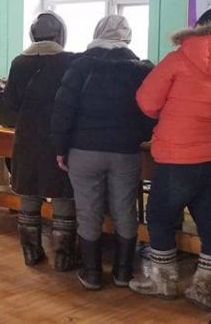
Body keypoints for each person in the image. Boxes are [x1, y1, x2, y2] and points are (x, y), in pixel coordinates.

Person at [130, 7, 211, 312]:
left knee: (160, 216)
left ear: (200, 28)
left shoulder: (178, 59)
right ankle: (206, 290)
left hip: (178, 157)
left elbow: (147, 103)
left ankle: (162, 282)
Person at [50, 15, 154, 290]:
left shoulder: (80, 65)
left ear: (97, 33)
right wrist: (140, 135)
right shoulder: (141, 69)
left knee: (88, 211)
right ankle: (123, 272)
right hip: (125, 151)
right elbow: (151, 111)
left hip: (83, 150)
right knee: (125, 209)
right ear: (127, 37)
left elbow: (63, 110)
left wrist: (60, 149)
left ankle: (92, 273)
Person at [4, 11, 77, 269]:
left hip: (26, 138)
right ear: (60, 34)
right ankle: (64, 257)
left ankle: (30, 252)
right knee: (63, 196)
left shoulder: (18, 63)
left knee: (28, 196)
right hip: (59, 139)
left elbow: (11, 103)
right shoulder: (69, 61)